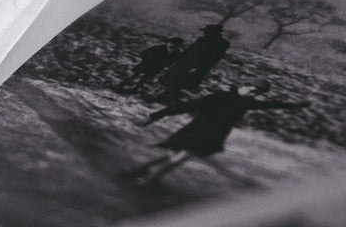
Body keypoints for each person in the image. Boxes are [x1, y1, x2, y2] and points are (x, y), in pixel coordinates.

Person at [125, 80, 309, 187]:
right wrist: (155, 116)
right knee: (183, 156)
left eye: (258, 92)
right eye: (252, 88)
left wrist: (295, 105)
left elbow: (270, 104)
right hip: (201, 129)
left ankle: (139, 172)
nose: (253, 93)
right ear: (244, 84)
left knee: (177, 155)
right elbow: (188, 106)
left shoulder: (247, 102)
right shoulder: (220, 96)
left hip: (217, 133)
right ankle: (150, 179)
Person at [148, 24, 230, 102]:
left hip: (196, 67)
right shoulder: (201, 39)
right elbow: (189, 50)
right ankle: (160, 97)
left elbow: (213, 58)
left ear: (214, 33)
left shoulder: (222, 43)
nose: (205, 33)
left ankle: (166, 100)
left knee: (181, 84)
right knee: (171, 80)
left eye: (207, 31)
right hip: (185, 63)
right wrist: (174, 59)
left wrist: (198, 68)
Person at [114, 37, 184, 94]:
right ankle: (120, 86)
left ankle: (135, 89)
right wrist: (147, 60)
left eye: (175, 45)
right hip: (146, 64)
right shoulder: (158, 48)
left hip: (156, 67)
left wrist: (164, 65)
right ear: (168, 42)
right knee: (134, 75)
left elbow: (173, 60)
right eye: (171, 43)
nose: (172, 45)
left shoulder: (176, 52)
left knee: (144, 78)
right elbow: (144, 53)